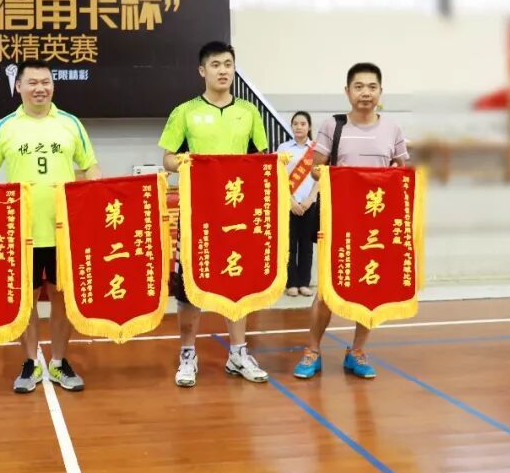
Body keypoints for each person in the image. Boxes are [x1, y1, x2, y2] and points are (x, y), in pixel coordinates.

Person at [0, 59, 101, 394]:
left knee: (61, 298)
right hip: (21, 231)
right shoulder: (6, 127)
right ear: (19, 86)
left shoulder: (70, 124)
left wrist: (94, 197)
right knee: (26, 299)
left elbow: (91, 168)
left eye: (46, 82)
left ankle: (58, 361)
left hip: (62, 231)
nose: (40, 88)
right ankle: (30, 362)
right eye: (33, 83)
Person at [159, 41, 270, 387]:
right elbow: (167, 158)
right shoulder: (184, 112)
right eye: (216, 65)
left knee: (238, 280)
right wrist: (186, 162)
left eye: (228, 64)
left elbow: (261, 160)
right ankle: (188, 354)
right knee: (189, 285)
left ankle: (238, 353)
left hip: (237, 212)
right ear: (202, 71)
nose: (223, 70)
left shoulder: (249, 112)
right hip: (198, 212)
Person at [293, 63, 410, 380]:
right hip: (339, 220)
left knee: (370, 287)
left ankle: (356, 351)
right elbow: (316, 169)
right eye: (359, 87)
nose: (365, 93)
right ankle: (312, 351)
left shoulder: (393, 129)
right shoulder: (333, 125)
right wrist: (343, 177)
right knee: (326, 291)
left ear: (381, 92)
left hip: (375, 222)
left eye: (372, 87)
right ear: (347, 92)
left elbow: (402, 170)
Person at [278, 111, 318, 297]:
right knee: (289, 245)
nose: (299, 127)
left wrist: (310, 199)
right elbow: (279, 176)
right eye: (295, 124)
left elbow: (320, 176)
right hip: (289, 203)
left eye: (303, 124)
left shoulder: (316, 149)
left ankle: (304, 283)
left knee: (307, 246)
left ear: (309, 127)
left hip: (310, 202)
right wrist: (290, 201)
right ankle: (291, 283)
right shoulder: (284, 148)